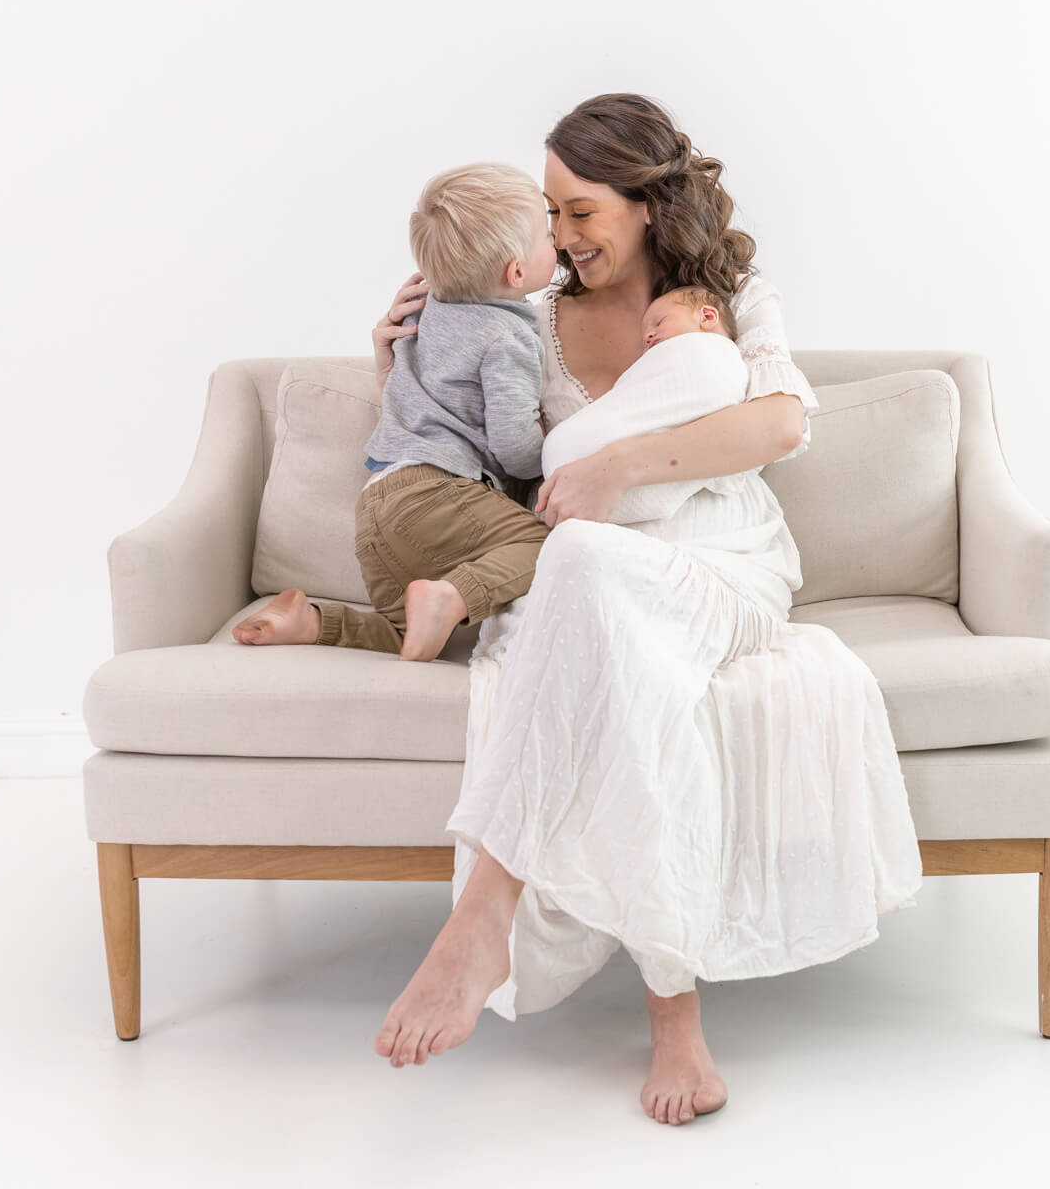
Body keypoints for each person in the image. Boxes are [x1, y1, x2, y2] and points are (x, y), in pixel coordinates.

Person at [370, 94, 924, 1125]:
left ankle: (485, 911)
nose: (556, 236)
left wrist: (622, 461)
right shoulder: (518, 318)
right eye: (547, 212)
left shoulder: (725, 299)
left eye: (579, 211)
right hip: (582, 574)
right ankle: (674, 1015)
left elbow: (775, 422)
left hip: (719, 562)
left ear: (644, 201)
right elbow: (485, 473)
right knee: (594, 595)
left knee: (588, 567)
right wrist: (399, 367)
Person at [232, 162, 558, 661]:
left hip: (377, 502)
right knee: (558, 550)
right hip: (438, 493)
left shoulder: (422, 310)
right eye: (547, 234)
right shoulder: (509, 335)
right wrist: (546, 438)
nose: (556, 240)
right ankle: (452, 595)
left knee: (406, 631)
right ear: (517, 271)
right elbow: (516, 450)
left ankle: (308, 622)